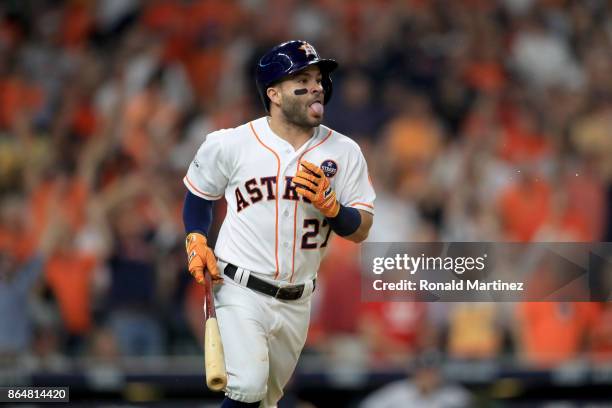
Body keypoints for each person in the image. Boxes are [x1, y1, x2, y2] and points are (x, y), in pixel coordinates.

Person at [182, 40, 375, 407]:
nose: (316, 86)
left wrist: (333, 208)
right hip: (239, 287)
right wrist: (195, 238)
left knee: (265, 401)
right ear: (274, 93)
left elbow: (361, 228)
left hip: (298, 301)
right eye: (302, 78)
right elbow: (199, 196)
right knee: (248, 386)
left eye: (318, 78)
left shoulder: (345, 152)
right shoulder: (232, 144)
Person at [359, 351, 472, 408]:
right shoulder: (395, 392)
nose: (428, 376)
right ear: (416, 372)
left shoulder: (456, 396)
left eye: (433, 371)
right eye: (424, 371)